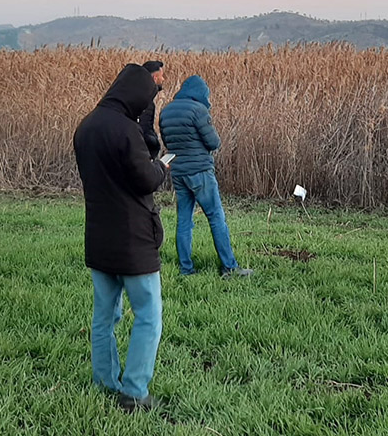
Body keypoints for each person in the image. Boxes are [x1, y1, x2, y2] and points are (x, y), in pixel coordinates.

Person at [73, 64, 170, 413]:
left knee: (104, 317)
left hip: (98, 236)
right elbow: (145, 179)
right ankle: (134, 393)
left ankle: (105, 383)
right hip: (133, 241)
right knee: (148, 315)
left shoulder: (86, 126)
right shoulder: (126, 131)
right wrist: (162, 166)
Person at [158, 75, 253, 278]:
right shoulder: (198, 110)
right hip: (200, 172)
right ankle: (229, 267)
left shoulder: (166, 111)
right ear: (201, 93)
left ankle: (186, 269)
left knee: (184, 221)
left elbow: (167, 141)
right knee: (216, 217)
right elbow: (213, 142)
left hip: (178, 172)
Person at [138, 60, 165, 159]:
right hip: (141, 157)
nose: (163, 79)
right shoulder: (145, 103)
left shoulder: (135, 95)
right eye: (161, 76)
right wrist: (154, 144)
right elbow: (144, 131)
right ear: (154, 78)